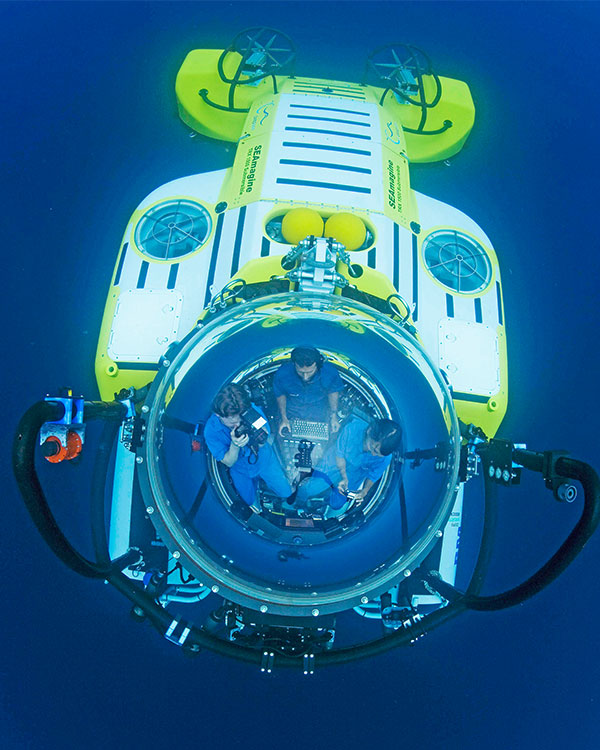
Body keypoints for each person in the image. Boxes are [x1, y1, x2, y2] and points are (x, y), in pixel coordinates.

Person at [203, 384, 292, 508]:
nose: (238, 424)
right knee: (248, 502)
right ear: (218, 415)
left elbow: (265, 438)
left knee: (286, 492)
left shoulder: (252, 412)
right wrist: (235, 445)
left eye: (241, 419)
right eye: (232, 422)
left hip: (264, 461)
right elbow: (229, 462)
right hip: (241, 470)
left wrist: (257, 438)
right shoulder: (211, 430)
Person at [332, 418, 402, 508]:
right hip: (335, 461)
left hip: (356, 473)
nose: (373, 454)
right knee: (313, 487)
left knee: (336, 503)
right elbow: (339, 454)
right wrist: (343, 476)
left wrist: (364, 491)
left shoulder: (385, 458)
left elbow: (372, 476)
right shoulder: (352, 429)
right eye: (373, 449)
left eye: (377, 454)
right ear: (370, 431)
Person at [273, 347, 344, 436]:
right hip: (292, 412)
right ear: (294, 364)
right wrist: (284, 418)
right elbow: (280, 394)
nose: (305, 377)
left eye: (310, 372)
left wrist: (334, 416)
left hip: (319, 412)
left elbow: (333, 392)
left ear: (318, 365)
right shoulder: (282, 373)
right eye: (301, 372)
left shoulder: (330, 373)